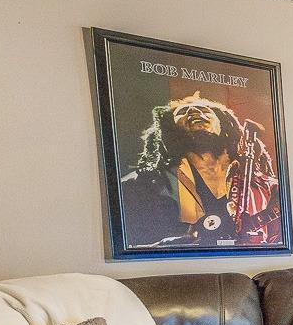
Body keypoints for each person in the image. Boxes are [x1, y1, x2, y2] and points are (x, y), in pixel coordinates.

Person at [119, 91, 279, 248]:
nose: (193, 110)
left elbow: (277, 243)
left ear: (223, 125)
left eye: (204, 110)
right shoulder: (141, 185)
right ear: (169, 130)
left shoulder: (269, 188)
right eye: (182, 111)